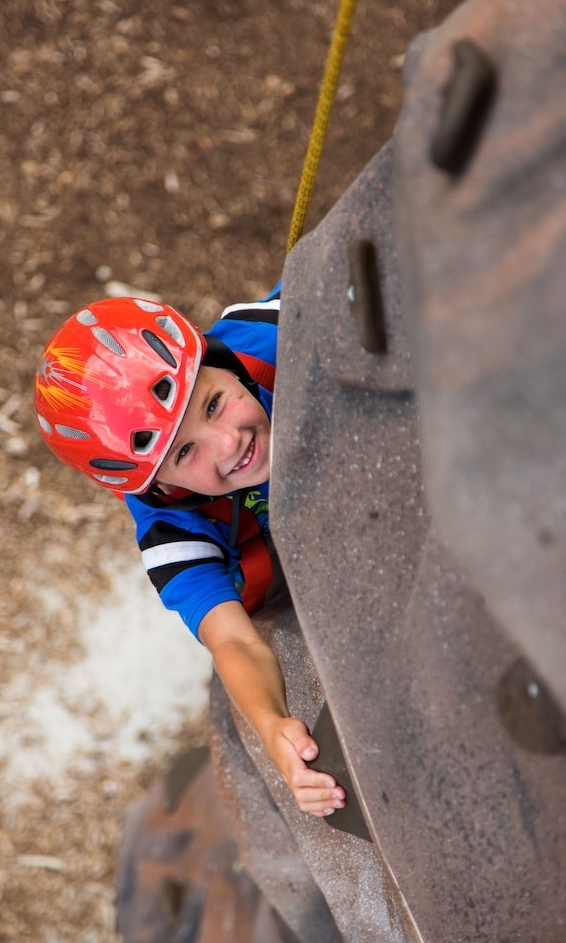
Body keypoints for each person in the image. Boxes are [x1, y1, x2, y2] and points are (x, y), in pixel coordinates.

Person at [34, 283, 346, 818]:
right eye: (184, 453)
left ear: (219, 362)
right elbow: (233, 642)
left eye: (213, 404)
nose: (228, 442)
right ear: (158, 485)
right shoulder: (171, 528)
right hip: (302, 584)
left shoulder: (276, 329)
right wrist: (273, 726)